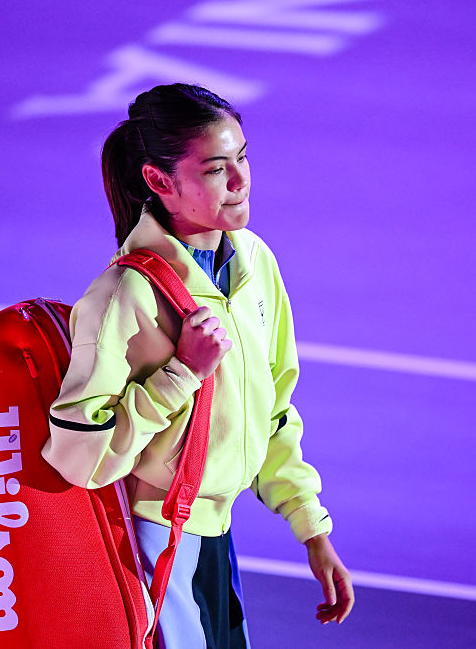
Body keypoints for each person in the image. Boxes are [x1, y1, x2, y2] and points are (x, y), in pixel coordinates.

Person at [42, 83, 353, 648]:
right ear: (159, 182)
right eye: (215, 169)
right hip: (148, 541)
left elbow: (274, 408)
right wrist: (182, 372)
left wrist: (311, 527)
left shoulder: (256, 261)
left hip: (213, 534)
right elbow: (77, 458)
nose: (239, 181)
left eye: (242, 158)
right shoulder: (124, 296)